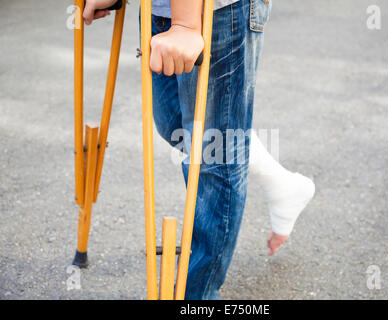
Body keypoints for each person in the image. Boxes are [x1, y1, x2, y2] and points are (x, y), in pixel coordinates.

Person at [83, 0, 314, 299]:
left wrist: (186, 25)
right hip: (159, 8)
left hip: (215, 11)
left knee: (213, 155)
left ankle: (198, 298)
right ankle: (283, 185)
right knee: (178, 126)